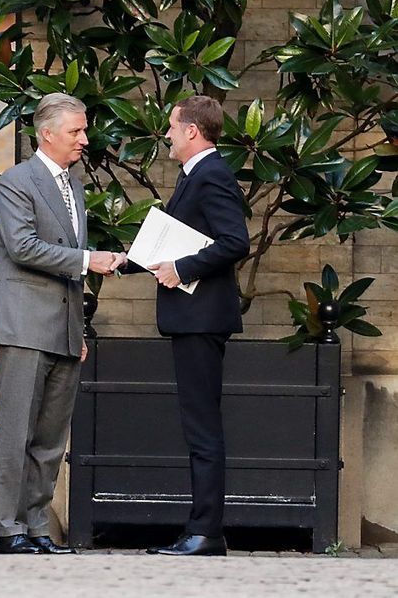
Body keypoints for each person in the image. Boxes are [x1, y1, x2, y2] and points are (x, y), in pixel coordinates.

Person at [113, 95, 250, 556]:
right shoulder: (197, 175)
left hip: (200, 318)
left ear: (192, 130)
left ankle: (205, 532)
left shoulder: (211, 174)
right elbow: (171, 241)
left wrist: (184, 269)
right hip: (193, 319)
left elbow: (236, 242)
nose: (167, 134)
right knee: (199, 426)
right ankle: (203, 529)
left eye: (172, 126)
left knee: (202, 428)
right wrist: (123, 262)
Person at [0, 93, 119, 554]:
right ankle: (10, 530)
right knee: (17, 431)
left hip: (62, 328)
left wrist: (77, 331)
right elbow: (22, 247)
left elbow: (65, 267)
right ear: (47, 134)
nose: (84, 139)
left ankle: (39, 528)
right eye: (75, 131)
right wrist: (89, 259)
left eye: (83, 130)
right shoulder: (16, 182)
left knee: (50, 438)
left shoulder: (74, 186)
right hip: (22, 326)